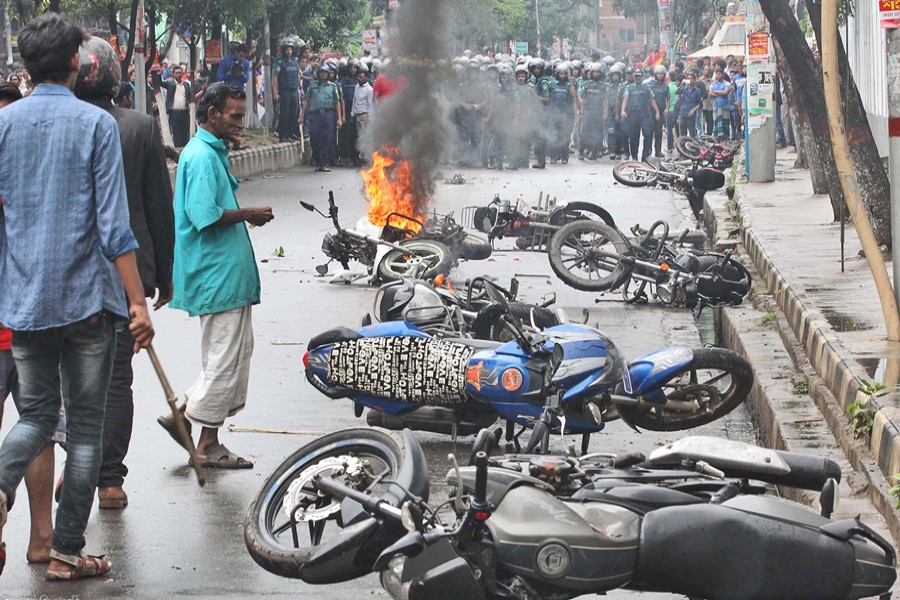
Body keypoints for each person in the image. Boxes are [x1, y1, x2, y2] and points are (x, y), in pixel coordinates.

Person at [0, 13, 154, 580]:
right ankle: (67, 554)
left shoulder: (3, 125)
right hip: (90, 303)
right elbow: (114, 226)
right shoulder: (96, 124)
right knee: (85, 432)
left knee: (37, 415)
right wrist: (137, 302)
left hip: (25, 302)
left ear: (25, 66)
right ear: (74, 62)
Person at [73, 36, 174, 511]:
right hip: (124, 272)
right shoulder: (139, 126)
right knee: (116, 379)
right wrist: (164, 274)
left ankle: (79, 467)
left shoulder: (64, 124)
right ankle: (108, 480)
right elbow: (159, 207)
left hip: (69, 275)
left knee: (70, 379)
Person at [159, 82, 273, 468]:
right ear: (212, 115)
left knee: (226, 356)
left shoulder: (208, 152)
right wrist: (249, 214)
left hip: (224, 277)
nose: (241, 123)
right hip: (217, 276)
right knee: (225, 359)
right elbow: (205, 215)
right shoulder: (202, 157)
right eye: (235, 116)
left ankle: (183, 413)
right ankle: (207, 445)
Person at [300, 64, 341, 172]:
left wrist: (339, 118)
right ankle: (317, 160)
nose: (323, 74)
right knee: (314, 137)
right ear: (318, 73)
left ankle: (323, 163)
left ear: (328, 74)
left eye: (325, 72)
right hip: (315, 115)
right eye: (321, 72)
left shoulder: (332, 86)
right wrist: (301, 116)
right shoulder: (312, 85)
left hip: (328, 115)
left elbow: (337, 103)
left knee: (326, 139)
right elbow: (306, 101)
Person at [620, 68, 659, 161]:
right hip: (633, 115)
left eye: (639, 76)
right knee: (633, 136)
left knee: (648, 134)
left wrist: (657, 112)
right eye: (636, 76)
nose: (637, 78)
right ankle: (634, 156)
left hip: (644, 114)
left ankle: (645, 156)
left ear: (642, 77)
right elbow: (625, 100)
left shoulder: (647, 87)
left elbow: (652, 100)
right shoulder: (629, 88)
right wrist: (623, 110)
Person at [273, 38, 301, 143]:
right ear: (283, 50)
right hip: (285, 91)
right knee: (285, 113)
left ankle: (291, 133)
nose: (289, 52)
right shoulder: (280, 62)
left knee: (294, 112)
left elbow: (298, 75)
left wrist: (301, 88)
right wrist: (275, 92)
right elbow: (275, 77)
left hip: (294, 90)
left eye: (290, 49)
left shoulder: (295, 61)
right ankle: (283, 135)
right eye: (287, 50)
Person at [578, 63, 606, 160]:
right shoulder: (585, 84)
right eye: (594, 72)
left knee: (596, 133)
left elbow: (605, 100)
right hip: (587, 112)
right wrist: (582, 102)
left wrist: (605, 113)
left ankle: (593, 152)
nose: (596, 74)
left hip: (598, 112)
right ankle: (581, 152)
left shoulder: (603, 86)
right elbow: (580, 96)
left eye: (598, 72)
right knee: (584, 132)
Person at [548, 63, 576, 164]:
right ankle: (554, 156)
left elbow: (573, 95)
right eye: (560, 74)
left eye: (564, 74)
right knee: (554, 135)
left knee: (564, 136)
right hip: (554, 114)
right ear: (557, 74)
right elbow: (549, 98)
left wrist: (570, 80)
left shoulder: (569, 86)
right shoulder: (552, 85)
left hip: (565, 114)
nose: (562, 76)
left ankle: (564, 156)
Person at [350, 63, 374, 166]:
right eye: (358, 77)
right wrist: (352, 113)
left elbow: (370, 104)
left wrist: (370, 118)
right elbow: (354, 100)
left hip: (365, 116)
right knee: (359, 137)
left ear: (366, 78)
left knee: (365, 137)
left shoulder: (369, 89)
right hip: (357, 115)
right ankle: (362, 157)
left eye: (361, 77)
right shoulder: (356, 87)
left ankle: (366, 158)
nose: (359, 79)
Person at [162, 65, 192, 147]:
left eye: (180, 73)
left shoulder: (186, 85)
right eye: (176, 73)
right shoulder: (170, 84)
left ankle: (185, 148)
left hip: (184, 112)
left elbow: (189, 97)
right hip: (174, 112)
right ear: (173, 74)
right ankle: (177, 148)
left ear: (182, 74)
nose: (178, 74)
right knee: (176, 131)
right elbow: (159, 82)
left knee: (185, 131)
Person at [647, 65, 670, 158]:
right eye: (658, 74)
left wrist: (667, 108)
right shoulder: (651, 84)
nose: (660, 75)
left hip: (661, 111)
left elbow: (668, 98)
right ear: (655, 74)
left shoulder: (665, 87)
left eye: (662, 74)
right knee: (649, 131)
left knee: (659, 132)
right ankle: (648, 150)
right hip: (651, 111)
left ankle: (658, 151)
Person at [675, 71, 703, 137]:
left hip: (691, 115)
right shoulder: (684, 89)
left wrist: (693, 110)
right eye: (688, 79)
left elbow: (699, 104)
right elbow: (676, 92)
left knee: (692, 133)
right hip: (683, 113)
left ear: (694, 80)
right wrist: (682, 85)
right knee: (683, 134)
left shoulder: (697, 91)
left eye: (691, 78)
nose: (690, 80)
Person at [709, 67, 731, 140]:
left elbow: (726, 92)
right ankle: (717, 140)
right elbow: (710, 94)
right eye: (717, 74)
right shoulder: (713, 84)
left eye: (720, 74)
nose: (718, 75)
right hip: (716, 107)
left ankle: (726, 140)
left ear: (722, 74)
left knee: (725, 123)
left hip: (725, 107)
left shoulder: (726, 83)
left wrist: (715, 91)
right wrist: (721, 93)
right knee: (716, 123)